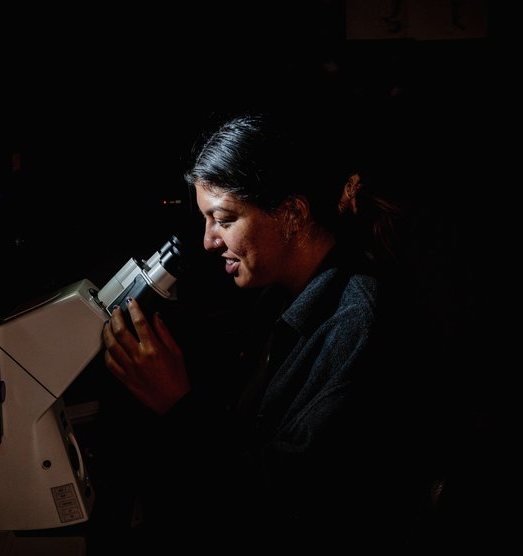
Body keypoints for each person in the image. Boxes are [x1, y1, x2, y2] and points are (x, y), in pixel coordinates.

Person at [100, 112, 441, 553]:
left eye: (223, 218)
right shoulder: (277, 300)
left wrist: (178, 405)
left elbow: (283, 509)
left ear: (292, 213)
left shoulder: (359, 325)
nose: (208, 240)